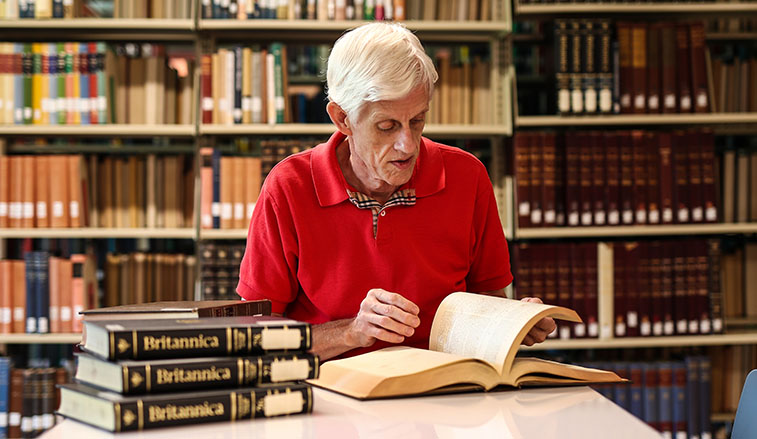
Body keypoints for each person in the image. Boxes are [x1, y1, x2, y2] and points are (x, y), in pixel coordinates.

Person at [237, 22, 555, 361]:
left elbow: (489, 298)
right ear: (342, 119)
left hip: (445, 388)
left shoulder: (467, 176)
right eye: (386, 126)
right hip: (330, 393)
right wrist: (351, 332)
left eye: (417, 121)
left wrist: (512, 323)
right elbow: (257, 332)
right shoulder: (289, 187)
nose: (407, 145)